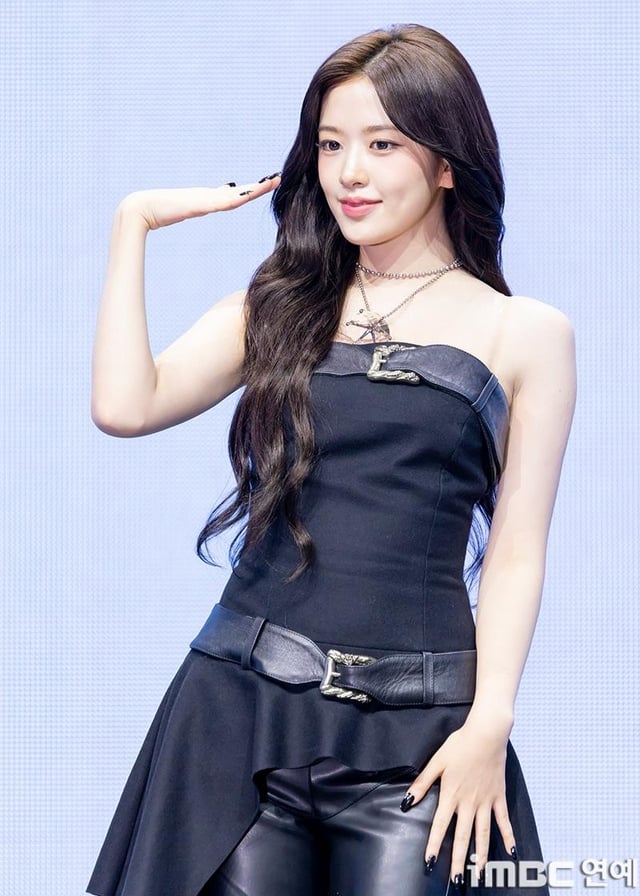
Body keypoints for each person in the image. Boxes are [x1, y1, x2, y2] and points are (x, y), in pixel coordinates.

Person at [87, 24, 576, 896]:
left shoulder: (526, 334)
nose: (350, 172)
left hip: (418, 739)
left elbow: (516, 551)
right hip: (240, 717)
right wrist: (134, 224)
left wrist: (489, 724)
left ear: (446, 163)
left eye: (383, 144)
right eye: (330, 144)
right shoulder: (280, 304)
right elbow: (126, 406)